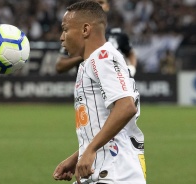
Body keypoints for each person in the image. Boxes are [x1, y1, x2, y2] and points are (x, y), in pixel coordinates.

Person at [52, 1, 146, 184]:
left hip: (115, 173)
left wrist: (90, 150)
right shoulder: (90, 63)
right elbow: (104, 124)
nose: (62, 38)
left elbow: (126, 107)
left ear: (85, 29)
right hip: (102, 171)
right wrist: (77, 157)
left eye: (65, 29)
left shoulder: (103, 58)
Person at [55, 0, 137, 77]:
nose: (98, 6)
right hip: (87, 88)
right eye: (94, 3)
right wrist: (84, 54)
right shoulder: (77, 34)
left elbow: (130, 53)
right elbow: (59, 67)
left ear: (107, 7)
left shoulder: (118, 34)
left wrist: (132, 68)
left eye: (101, 2)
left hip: (113, 85)